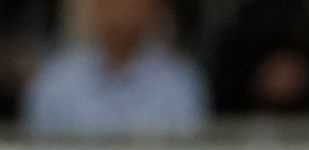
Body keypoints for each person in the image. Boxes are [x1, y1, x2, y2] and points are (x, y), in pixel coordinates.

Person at [22, 0, 206, 138]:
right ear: (94, 6)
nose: (121, 11)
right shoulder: (54, 81)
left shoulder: (181, 82)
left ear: (153, 7)